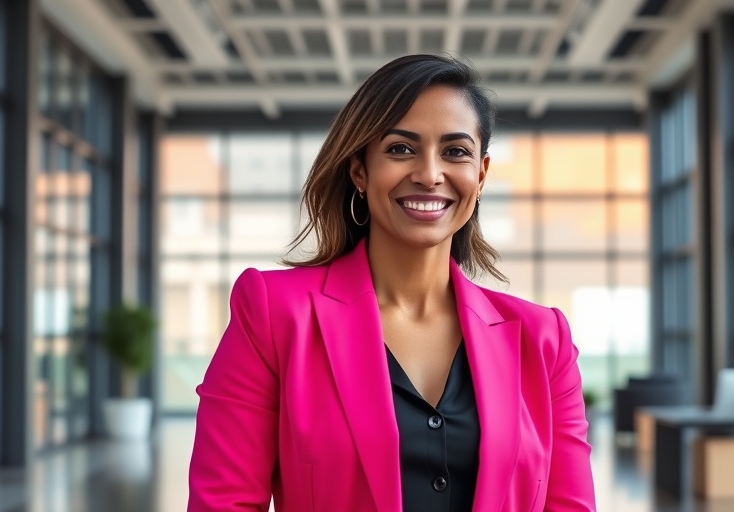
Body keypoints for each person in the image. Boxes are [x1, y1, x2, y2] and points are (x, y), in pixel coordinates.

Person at [188, 54, 596, 512]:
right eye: (401, 149)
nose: (429, 173)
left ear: (480, 175)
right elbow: (223, 502)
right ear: (359, 170)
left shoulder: (544, 341)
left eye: (455, 151)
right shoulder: (273, 314)